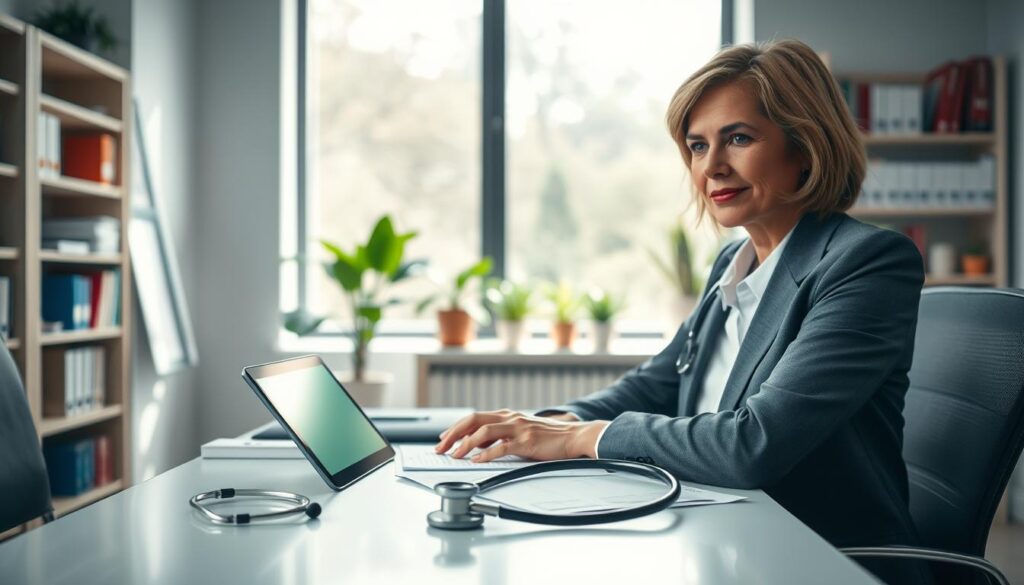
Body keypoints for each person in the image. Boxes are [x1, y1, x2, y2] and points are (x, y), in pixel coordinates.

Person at [435, 39, 928, 584]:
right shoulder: (730, 264)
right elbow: (655, 386)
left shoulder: (867, 263)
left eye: (738, 139)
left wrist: (581, 440)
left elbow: (753, 444)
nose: (712, 166)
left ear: (805, 147)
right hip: (723, 536)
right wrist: (542, 426)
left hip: (819, 558)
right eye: (697, 146)